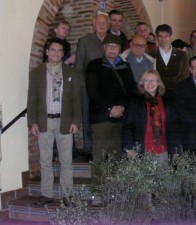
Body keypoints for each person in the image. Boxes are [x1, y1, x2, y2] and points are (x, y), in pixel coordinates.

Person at [27, 38, 81, 205]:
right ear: (47, 52)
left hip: (64, 121)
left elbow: (76, 100)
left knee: (66, 161)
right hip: (45, 121)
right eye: (53, 50)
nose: (56, 53)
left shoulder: (71, 72)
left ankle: (68, 194)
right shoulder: (36, 73)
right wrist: (33, 122)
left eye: (59, 51)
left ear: (63, 54)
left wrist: (75, 121)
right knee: (45, 160)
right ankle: (46, 193)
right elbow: (32, 99)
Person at [86, 34, 137, 169]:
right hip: (101, 118)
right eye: (109, 46)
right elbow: (92, 92)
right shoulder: (94, 65)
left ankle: (115, 190)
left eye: (115, 46)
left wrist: (121, 107)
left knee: (117, 158)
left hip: (120, 118)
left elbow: (131, 91)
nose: (112, 49)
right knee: (99, 157)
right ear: (104, 48)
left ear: (120, 49)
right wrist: (110, 108)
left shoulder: (125, 66)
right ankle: (98, 190)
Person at [122, 70, 180, 162]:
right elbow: (128, 126)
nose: (149, 83)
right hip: (141, 153)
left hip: (163, 151)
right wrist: (128, 148)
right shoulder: (135, 102)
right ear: (142, 83)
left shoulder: (168, 101)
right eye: (146, 80)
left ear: (158, 82)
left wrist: (176, 149)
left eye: (153, 80)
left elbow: (174, 127)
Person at [75, 14, 109, 156]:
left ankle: (107, 150)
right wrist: (83, 88)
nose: (102, 25)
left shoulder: (112, 40)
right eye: (99, 23)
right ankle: (90, 149)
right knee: (88, 118)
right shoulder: (85, 41)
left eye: (104, 23)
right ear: (93, 25)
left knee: (106, 119)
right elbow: (79, 67)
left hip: (107, 89)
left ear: (108, 25)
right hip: (88, 88)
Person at [154, 24, 190, 98]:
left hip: (177, 94)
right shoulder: (151, 54)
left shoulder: (181, 55)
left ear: (171, 37)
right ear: (157, 38)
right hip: (157, 94)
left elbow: (185, 75)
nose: (163, 39)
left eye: (166, 36)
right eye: (160, 36)